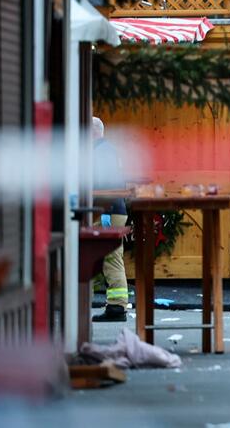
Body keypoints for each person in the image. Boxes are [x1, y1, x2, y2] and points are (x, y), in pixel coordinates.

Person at [91, 116, 130, 322]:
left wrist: (104, 214)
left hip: (108, 210)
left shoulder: (100, 152)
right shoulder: (108, 150)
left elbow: (105, 185)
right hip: (113, 209)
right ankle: (116, 305)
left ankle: (116, 307)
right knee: (110, 254)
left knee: (109, 254)